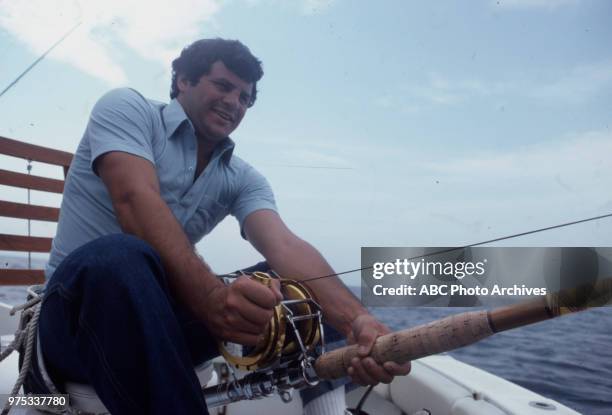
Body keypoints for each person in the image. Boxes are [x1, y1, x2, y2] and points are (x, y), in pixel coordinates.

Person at [29, 38, 410, 415]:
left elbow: (286, 247)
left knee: (300, 286)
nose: (234, 102)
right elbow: (135, 201)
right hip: (70, 322)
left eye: (244, 97)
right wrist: (212, 299)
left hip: (158, 325)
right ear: (182, 81)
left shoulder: (243, 178)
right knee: (119, 254)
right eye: (223, 86)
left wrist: (358, 319)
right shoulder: (127, 108)